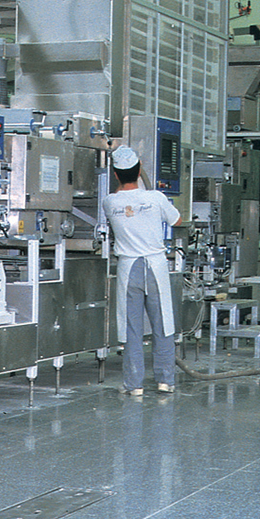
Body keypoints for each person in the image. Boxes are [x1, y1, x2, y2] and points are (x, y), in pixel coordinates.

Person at [103, 145, 182, 396]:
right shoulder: (156, 198)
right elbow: (177, 220)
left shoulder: (110, 202)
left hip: (129, 268)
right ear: (139, 171)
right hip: (156, 266)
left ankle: (134, 384)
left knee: (131, 328)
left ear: (115, 174)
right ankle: (165, 380)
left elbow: (121, 195)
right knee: (163, 324)